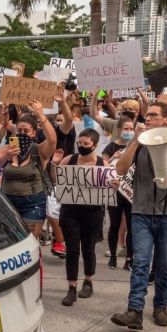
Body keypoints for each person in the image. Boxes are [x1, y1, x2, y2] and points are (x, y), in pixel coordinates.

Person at [110, 102, 167, 329]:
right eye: (147, 115)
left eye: (153, 115)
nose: (147, 119)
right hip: (140, 212)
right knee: (140, 262)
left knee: (163, 265)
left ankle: (160, 307)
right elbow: (120, 169)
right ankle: (135, 310)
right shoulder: (138, 142)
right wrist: (135, 142)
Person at [55, 128, 106, 305]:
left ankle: (88, 281)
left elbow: (109, 185)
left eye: (86, 144)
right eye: (80, 143)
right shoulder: (69, 160)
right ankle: (71, 287)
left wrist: (113, 184)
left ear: (95, 145)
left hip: (92, 213)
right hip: (70, 211)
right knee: (72, 250)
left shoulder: (102, 163)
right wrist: (55, 165)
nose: (82, 146)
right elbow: (57, 180)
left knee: (88, 248)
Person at [0, 102, 58, 239]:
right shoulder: (7, 149)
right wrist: (6, 156)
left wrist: (41, 115)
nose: (22, 134)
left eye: (26, 131)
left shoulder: (38, 150)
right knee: (11, 241)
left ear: (34, 133)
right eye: (19, 131)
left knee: (30, 241)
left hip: (32, 204)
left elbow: (52, 141)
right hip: (8, 202)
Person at [103, 118, 135, 270]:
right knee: (114, 225)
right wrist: (112, 158)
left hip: (130, 193)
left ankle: (129, 259)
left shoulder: (136, 147)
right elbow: (102, 168)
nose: (129, 131)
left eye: (131, 128)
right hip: (114, 191)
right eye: (126, 129)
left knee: (131, 226)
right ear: (119, 130)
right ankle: (113, 257)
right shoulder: (111, 147)